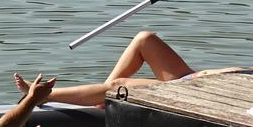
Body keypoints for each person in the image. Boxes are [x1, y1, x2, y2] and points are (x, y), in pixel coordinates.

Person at [13, 29, 238, 109]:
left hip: (194, 92)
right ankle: (102, 97)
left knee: (118, 85)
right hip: (194, 79)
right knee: (144, 39)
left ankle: (42, 96)